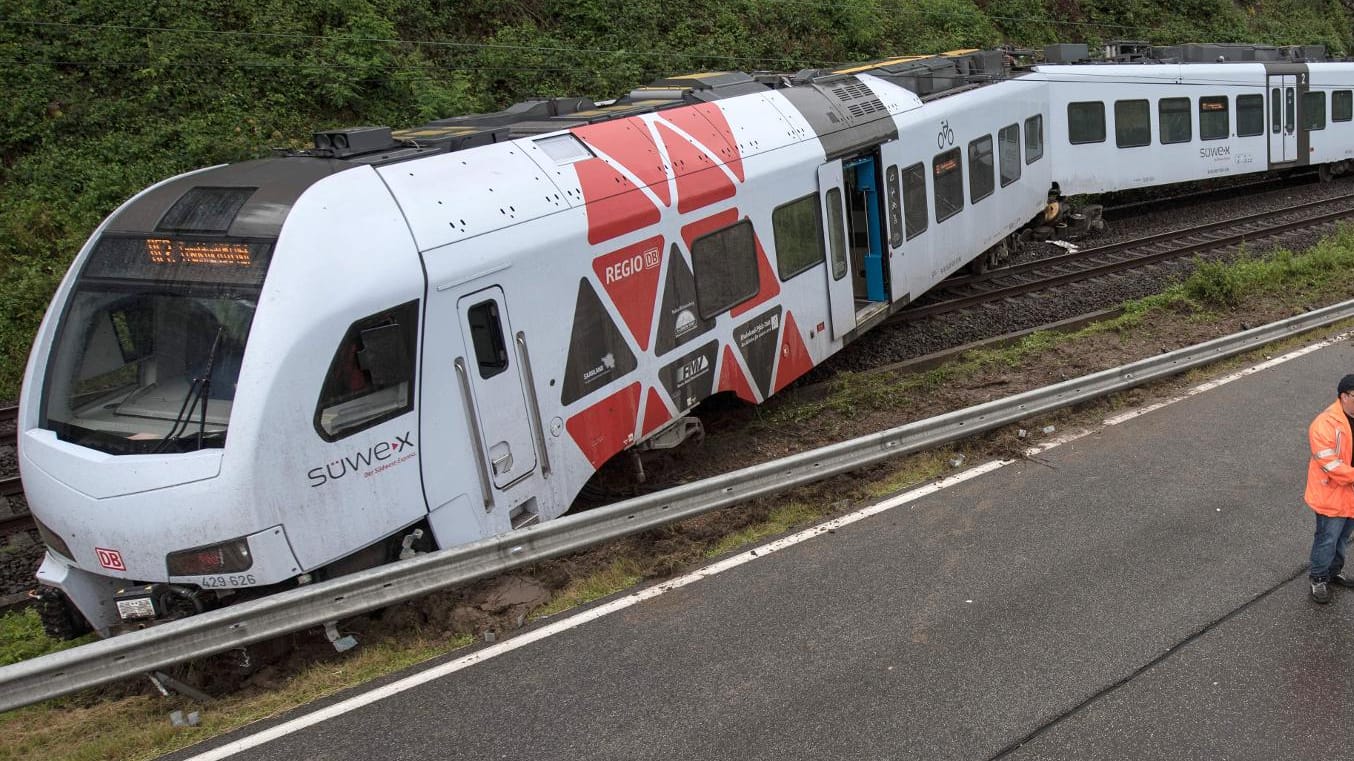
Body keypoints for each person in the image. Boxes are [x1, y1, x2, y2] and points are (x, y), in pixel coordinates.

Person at [1304, 374, 1354, 603]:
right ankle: (1318, 578)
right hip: (1331, 495)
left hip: (1350, 494)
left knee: (1343, 538)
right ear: (1344, 396)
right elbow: (1331, 465)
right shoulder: (1323, 425)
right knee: (1327, 539)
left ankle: (1333, 573)